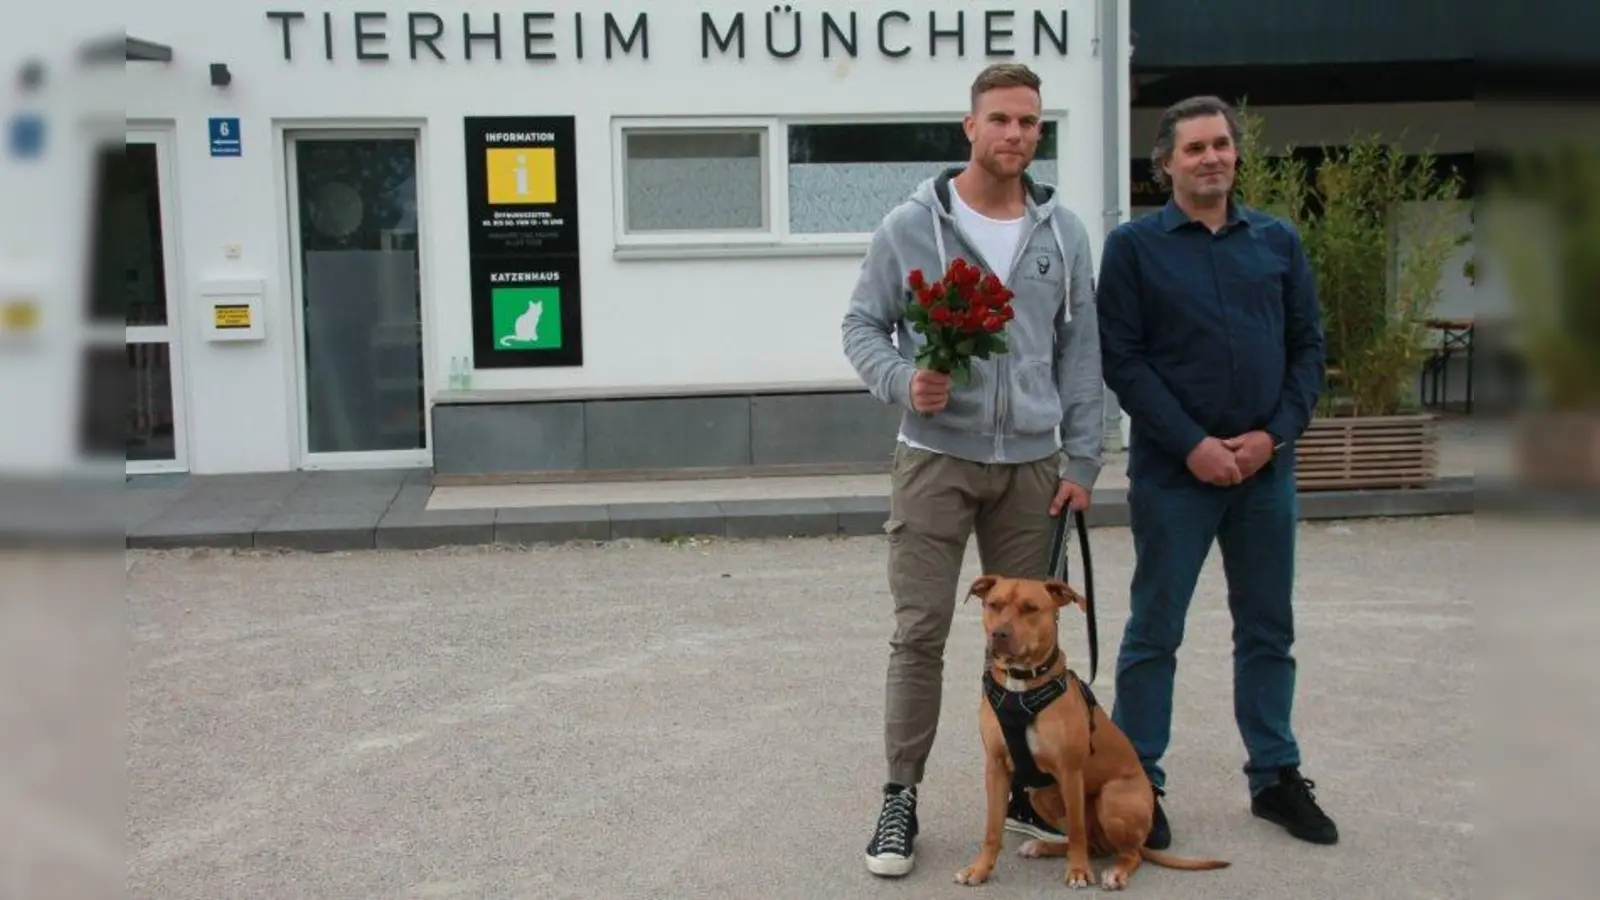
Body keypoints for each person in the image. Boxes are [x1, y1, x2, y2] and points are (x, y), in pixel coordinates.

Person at [840, 62, 1105, 878]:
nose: (1016, 135)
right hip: (935, 460)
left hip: (1031, 467)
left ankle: (1028, 789)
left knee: (1026, 642)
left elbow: (1079, 354)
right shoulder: (910, 226)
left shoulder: (1062, 235)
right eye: (1001, 120)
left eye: (1030, 123)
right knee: (921, 632)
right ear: (971, 127)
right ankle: (900, 796)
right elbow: (861, 327)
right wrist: (900, 381)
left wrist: (1085, 457)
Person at [1095, 94, 1339, 849]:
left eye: (1221, 145)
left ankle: (1275, 776)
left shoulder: (1276, 241)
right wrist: (1193, 444)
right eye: (1194, 147)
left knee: (1268, 629)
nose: (1211, 158)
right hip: (1176, 476)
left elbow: (1308, 349)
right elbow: (1124, 361)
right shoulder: (1135, 248)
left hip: (1266, 472)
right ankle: (1140, 783)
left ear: (1237, 155)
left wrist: (1275, 435)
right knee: (1154, 633)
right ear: (1164, 162)